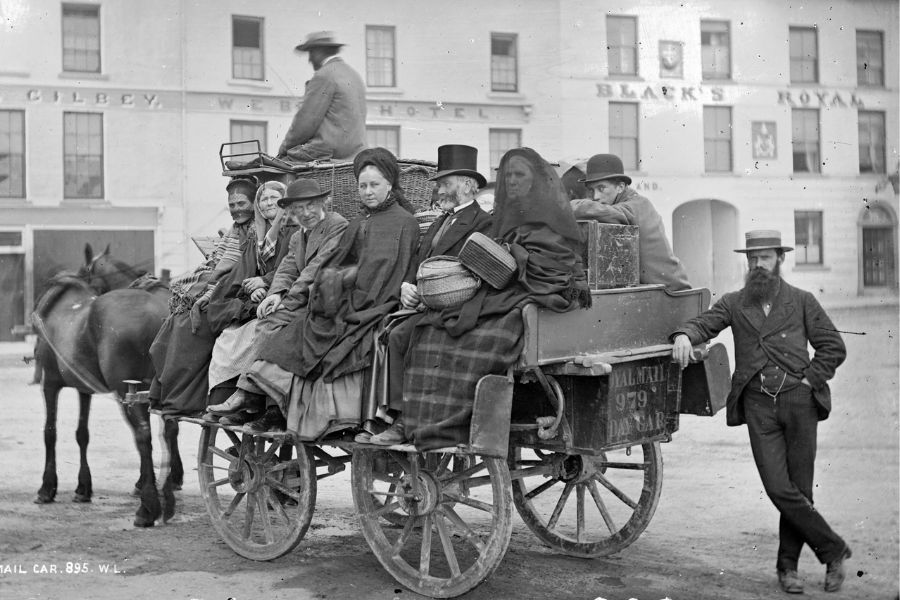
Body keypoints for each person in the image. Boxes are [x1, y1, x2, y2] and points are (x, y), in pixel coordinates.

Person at [670, 230, 850, 595]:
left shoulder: (801, 301)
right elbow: (704, 323)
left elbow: (833, 346)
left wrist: (809, 380)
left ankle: (789, 568)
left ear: (779, 260)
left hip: (800, 404)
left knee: (799, 489)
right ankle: (832, 549)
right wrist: (685, 335)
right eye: (752, 259)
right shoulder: (735, 303)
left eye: (764, 258)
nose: (757, 266)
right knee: (778, 488)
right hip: (758, 405)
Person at [395, 147, 591, 450]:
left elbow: (557, 264)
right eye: (508, 175)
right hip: (509, 291)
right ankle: (426, 420)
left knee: (477, 337)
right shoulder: (506, 213)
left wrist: (515, 255)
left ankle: (452, 425)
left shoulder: (550, 212)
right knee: (439, 328)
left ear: (536, 180)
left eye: (519, 175)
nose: (512, 181)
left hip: (541, 293)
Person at [241, 147, 419, 439]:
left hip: (376, 305)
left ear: (390, 184)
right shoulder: (359, 223)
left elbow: (395, 272)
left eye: (375, 185)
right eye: (362, 185)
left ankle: (333, 417)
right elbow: (336, 266)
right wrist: (327, 292)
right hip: (345, 301)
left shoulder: (405, 222)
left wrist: (351, 298)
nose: (368, 192)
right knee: (298, 329)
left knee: (333, 336)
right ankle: (272, 406)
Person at [362, 144, 493, 444]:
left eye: (445, 184)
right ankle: (382, 414)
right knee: (384, 330)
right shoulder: (439, 221)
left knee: (401, 337)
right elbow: (419, 262)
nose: (439, 191)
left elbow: (473, 275)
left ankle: (403, 417)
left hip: (457, 306)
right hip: (425, 303)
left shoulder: (484, 223)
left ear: (466, 186)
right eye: (439, 185)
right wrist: (408, 286)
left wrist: (428, 295)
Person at [203, 178, 349, 427]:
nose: (305, 213)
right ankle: (253, 399)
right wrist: (275, 294)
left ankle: (254, 398)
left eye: (310, 206)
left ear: (323, 203)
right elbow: (287, 268)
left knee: (282, 329)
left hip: (332, 302)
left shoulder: (336, 226)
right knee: (267, 319)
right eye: (298, 209)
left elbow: (315, 269)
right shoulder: (299, 236)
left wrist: (286, 300)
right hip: (305, 299)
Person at [149, 175, 261, 413]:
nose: (236, 209)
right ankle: (163, 393)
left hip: (237, 292)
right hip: (224, 286)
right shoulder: (235, 229)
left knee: (190, 328)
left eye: (242, 204)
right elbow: (219, 259)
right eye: (232, 205)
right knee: (173, 323)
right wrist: (206, 276)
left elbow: (241, 270)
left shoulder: (255, 230)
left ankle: (183, 400)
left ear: (254, 204)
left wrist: (210, 293)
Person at [570, 153, 690, 290]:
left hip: (672, 292)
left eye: (601, 188)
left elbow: (602, 212)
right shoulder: (626, 204)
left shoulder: (638, 205)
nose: (595, 196)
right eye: (591, 190)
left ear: (620, 187)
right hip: (652, 291)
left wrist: (565, 206)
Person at [277, 31, 366, 163]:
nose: (309, 59)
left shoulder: (323, 75)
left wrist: (283, 149)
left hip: (327, 152)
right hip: (355, 152)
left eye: (310, 53)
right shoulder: (354, 75)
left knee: (277, 164)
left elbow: (304, 124)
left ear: (318, 51)